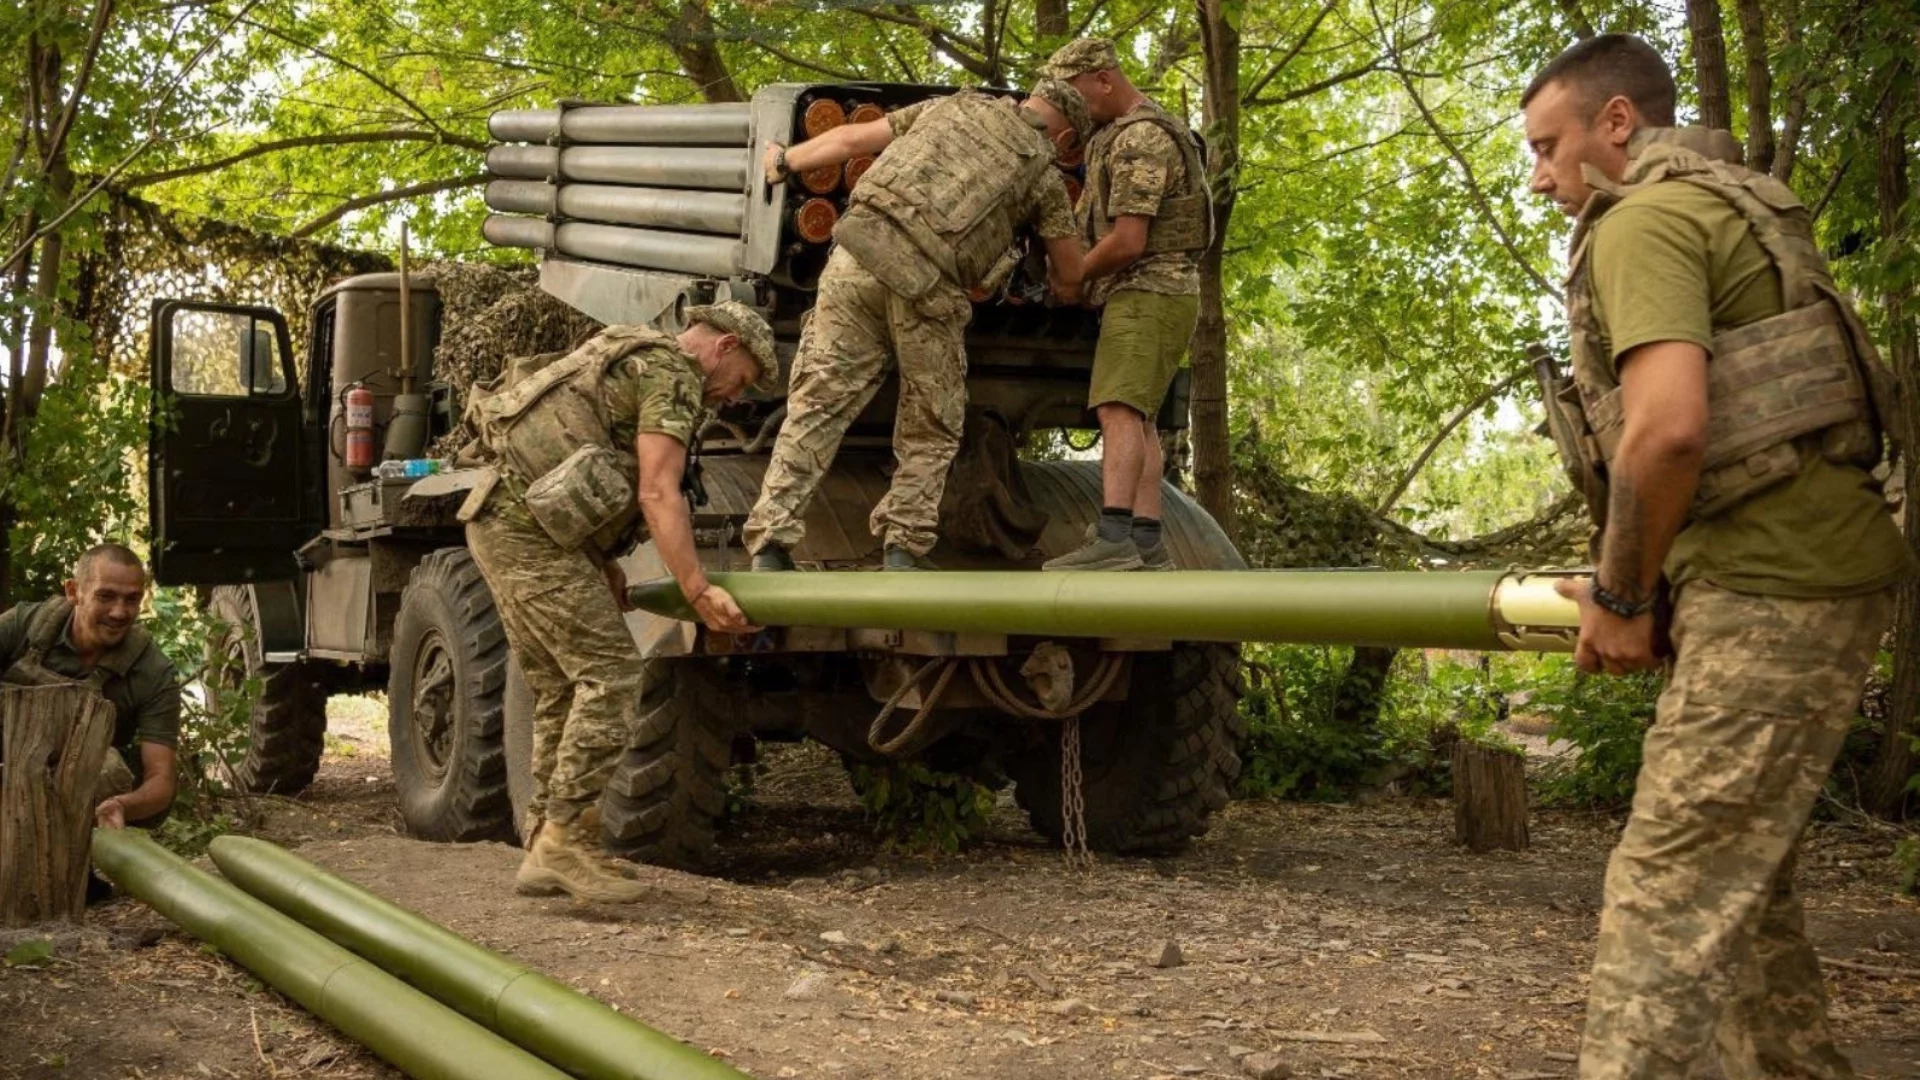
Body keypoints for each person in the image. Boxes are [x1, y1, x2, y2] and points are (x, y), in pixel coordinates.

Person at [1520, 34, 1912, 1079]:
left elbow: (1668, 433)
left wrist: (1618, 592)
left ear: (1617, 125)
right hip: (1799, 564)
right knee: (1750, 900)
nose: (1541, 175)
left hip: (1774, 581)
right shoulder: (1729, 202)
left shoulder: (1643, 219)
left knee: (1667, 892)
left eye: (1549, 146)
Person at [462, 302, 774, 903]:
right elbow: (657, 490)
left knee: (558, 687)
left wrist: (602, 560)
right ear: (726, 346)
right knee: (611, 676)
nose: (736, 397)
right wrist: (696, 588)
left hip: (506, 520)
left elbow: (575, 458)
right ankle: (560, 843)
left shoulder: (629, 351)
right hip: (529, 533)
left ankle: (550, 844)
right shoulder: (674, 377)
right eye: (743, 379)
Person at [743, 79, 1090, 572]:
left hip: (853, 261)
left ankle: (770, 545)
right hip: (926, 288)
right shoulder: (1044, 178)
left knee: (819, 404)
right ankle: (902, 546)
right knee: (931, 421)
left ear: (1026, 100)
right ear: (1064, 137)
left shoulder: (950, 107)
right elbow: (1071, 279)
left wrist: (783, 162)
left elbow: (849, 140)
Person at [1040, 37, 1210, 571]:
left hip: (1147, 289)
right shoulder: (1127, 130)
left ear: (1104, 79)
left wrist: (1075, 276)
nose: (1075, 107)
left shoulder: (1140, 138)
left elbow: (1130, 239)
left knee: (1117, 410)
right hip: (1158, 293)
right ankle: (1146, 542)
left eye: (1077, 93)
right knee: (1136, 418)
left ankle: (1113, 539)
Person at [0, 543, 180, 830]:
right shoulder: (23, 626)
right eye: (106, 596)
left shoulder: (154, 672)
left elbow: (161, 780)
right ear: (74, 592)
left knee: (113, 771)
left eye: (132, 599)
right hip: (8, 767)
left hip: (81, 799)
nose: (119, 612)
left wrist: (122, 805)